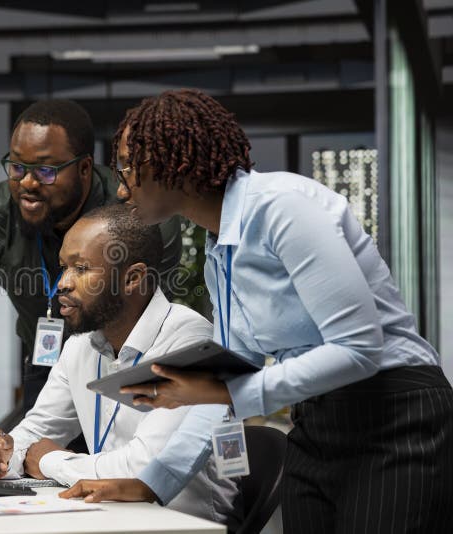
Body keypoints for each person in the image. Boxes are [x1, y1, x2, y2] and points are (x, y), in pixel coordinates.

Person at [60, 88, 453, 533]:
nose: (121, 187)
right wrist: (152, 483)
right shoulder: (219, 253)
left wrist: (227, 392)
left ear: (175, 164)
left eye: (129, 168)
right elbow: (227, 378)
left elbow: (359, 348)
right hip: (316, 420)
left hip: (394, 414)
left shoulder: (282, 207)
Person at [0, 100, 183, 424]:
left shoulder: (139, 215)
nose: (27, 182)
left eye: (45, 171)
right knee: (4, 451)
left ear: (84, 169)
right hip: (45, 369)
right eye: (17, 167)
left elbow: (150, 324)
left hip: (120, 370)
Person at [0, 204, 241, 528]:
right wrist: (1, 455)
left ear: (133, 278)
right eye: (64, 267)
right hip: (107, 517)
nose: (63, 283)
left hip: (180, 525)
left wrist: (50, 460)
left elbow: (144, 470)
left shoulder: (189, 342)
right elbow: (36, 433)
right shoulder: (80, 346)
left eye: (81, 268)